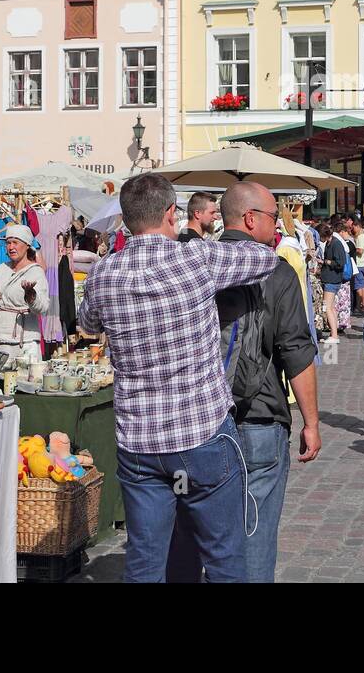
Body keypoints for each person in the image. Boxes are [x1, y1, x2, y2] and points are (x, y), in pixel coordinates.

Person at [78, 173, 278, 583]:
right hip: (201, 433)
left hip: (140, 443)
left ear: (126, 217)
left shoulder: (103, 273)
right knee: (224, 560)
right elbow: (264, 259)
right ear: (172, 213)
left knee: (145, 563)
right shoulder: (196, 259)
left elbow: (86, 322)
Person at [167, 182, 321, 583]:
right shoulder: (275, 269)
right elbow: (295, 350)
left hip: (195, 422)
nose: (277, 226)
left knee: (192, 531)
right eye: (273, 216)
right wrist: (311, 422)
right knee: (254, 531)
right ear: (251, 219)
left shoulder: (190, 262)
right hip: (258, 419)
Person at [0, 225, 51, 353]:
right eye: (8, 243)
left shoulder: (36, 272)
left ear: (26, 245)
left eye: (15, 242)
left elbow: (43, 308)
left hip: (25, 340)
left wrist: (31, 296)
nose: (11, 247)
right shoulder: (1, 269)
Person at [319, 219, 352, 341]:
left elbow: (340, 263)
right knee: (331, 307)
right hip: (330, 278)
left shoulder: (336, 244)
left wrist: (326, 262)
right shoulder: (330, 243)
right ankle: (334, 333)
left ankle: (334, 335)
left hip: (332, 280)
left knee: (327, 307)